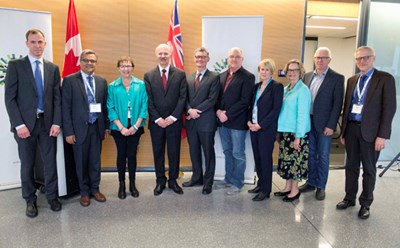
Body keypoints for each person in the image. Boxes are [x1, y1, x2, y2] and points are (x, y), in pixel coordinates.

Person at [4, 29, 62, 217]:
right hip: (25, 125)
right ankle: (30, 199)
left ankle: (52, 196)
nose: (37, 46)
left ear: (45, 44)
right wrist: (19, 124)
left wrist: (56, 122)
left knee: (50, 163)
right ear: (27, 43)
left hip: (47, 123)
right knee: (27, 164)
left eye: (40, 42)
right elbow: (10, 98)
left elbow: (56, 99)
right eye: (33, 42)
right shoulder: (16, 66)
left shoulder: (52, 68)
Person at [336, 46, 396, 219]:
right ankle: (349, 198)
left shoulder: (385, 79)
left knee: (369, 169)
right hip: (352, 129)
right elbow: (347, 106)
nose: (362, 61)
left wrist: (382, 135)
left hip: (372, 133)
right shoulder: (352, 80)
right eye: (358, 59)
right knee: (351, 167)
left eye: (366, 57)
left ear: (373, 58)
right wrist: (344, 132)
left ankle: (366, 203)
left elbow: (389, 109)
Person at [62, 49, 109, 207]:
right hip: (78, 129)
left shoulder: (102, 81)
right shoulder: (69, 81)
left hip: (96, 127)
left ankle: (95, 189)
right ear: (80, 62)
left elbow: (105, 106)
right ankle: (84, 192)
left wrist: (106, 127)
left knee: (95, 161)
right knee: (81, 162)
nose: (90, 63)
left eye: (93, 61)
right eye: (86, 60)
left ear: (96, 63)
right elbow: (65, 107)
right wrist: (68, 131)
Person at [299, 47, 344, 201]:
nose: (320, 60)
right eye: (318, 57)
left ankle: (321, 186)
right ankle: (311, 182)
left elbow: (337, 104)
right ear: (314, 59)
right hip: (308, 122)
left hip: (325, 125)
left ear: (329, 60)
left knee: (323, 155)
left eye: (324, 58)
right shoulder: (307, 76)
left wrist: (331, 125)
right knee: (310, 154)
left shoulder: (337, 78)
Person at [144, 43, 187, 196]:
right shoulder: (148, 75)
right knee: (158, 152)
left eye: (165, 53)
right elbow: (148, 100)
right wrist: (157, 119)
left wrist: (173, 117)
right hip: (156, 124)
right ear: (156, 55)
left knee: (174, 152)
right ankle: (160, 181)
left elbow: (183, 98)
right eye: (160, 53)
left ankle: (173, 180)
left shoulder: (180, 74)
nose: (163, 56)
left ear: (171, 55)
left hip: (174, 123)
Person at [107, 56, 148, 199]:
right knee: (121, 155)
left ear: (133, 67)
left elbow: (144, 106)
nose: (126, 69)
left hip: (135, 126)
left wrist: (135, 126)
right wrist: (121, 127)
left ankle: (132, 184)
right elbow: (110, 108)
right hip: (119, 127)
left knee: (132, 155)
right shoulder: (112, 87)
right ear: (119, 68)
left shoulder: (140, 85)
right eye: (123, 66)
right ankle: (121, 185)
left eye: (128, 66)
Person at [216, 47, 255, 195]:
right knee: (227, 151)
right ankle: (228, 178)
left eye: (237, 56)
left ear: (242, 59)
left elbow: (245, 101)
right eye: (231, 56)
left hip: (237, 122)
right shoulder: (220, 76)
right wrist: (218, 111)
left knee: (238, 153)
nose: (234, 59)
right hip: (223, 121)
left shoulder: (248, 77)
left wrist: (228, 114)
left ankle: (237, 182)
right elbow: (216, 97)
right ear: (228, 58)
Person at [182, 47, 220, 195]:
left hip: (206, 122)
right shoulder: (188, 77)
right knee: (194, 151)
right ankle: (196, 177)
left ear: (208, 59)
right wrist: (188, 110)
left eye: (203, 57)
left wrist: (195, 111)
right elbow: (184, 98)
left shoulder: (214, 77)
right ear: (194, 59)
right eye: (198, 57)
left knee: (208, 153)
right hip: (191, 122)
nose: (200, 59)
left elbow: (212, 99)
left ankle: (208, 182)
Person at [274, 59, 311, 202]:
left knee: (295, 161)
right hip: (285, 131)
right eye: (289, 70)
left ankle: (295, 190)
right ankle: (287, 186)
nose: (292, 73)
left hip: (296, 133)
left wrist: (298, 137)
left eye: (295, 70)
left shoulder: (303, 90)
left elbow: (302, 115)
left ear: (300, 72)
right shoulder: (286, 89)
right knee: (286, 162)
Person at [247, 59, 283, 201]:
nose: (264, 72)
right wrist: (249, 121)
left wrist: (260, 125)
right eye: (262, 69)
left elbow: (276, 110)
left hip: (266, 129)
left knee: (265, 159)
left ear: (271, 71)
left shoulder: (277, 86)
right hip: (253, 127)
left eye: (267, 69)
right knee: (257, 157)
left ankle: (266, 190)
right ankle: (260, 184)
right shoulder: (256, 87)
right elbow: (251, 106)